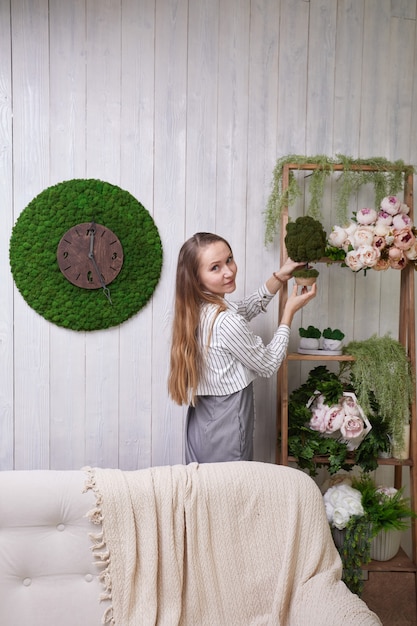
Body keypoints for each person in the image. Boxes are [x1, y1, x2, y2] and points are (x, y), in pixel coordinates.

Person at [168, 232, 317, 463]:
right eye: (215, 268)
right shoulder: (225, 321)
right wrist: (288, 313)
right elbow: (268, 365)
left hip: (202, 421)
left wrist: (279, 276)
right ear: (196, 277)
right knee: (231, 491)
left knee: (204, 491)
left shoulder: (195, 307)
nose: (228, 271)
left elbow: (243, 309)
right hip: (227, 422)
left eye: (229, 259)